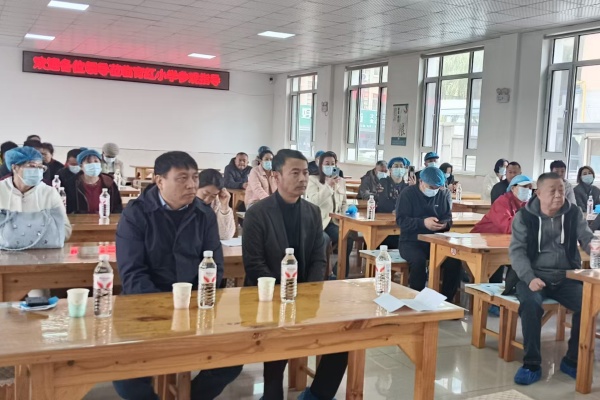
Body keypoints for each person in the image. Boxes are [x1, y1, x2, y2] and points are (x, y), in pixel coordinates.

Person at [114, 151, 242, 399]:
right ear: (160, 181)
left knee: (232, 359)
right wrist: (165, 309)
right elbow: (132, 272)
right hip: (144, 306)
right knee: (126, 377)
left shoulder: (203, 213)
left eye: (194, 177)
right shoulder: (136, 214)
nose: (192, 184)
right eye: (182, 178)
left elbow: (214, 265)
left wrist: (196, 303)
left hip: (194, 306)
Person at [242, 149, 347, 400]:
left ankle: (317, 395)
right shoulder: (257, 213)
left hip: (305, 294)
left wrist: (307, 293)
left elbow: (318, 258)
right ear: (276, 176)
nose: (302, 179)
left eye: (305, 173)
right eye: (295, 173)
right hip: (267, 296)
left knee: (344, 338)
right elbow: (254, 265)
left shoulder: (311, 211)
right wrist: (285, 294)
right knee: (279, 338)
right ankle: (271, 394)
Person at [509, 172, 593, 385]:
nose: (558, 196)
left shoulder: (573, 213)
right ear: (538, 193)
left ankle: (572, 360)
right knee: (531, 305)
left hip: (567, 276)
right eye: (552, 191)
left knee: (589, 305)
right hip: (534, 276)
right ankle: (531, 363)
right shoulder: (524, 216)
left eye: (561, 191)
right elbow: (517, 252)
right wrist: (529, 277)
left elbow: (586, 238)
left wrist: (593, 247)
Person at [396, 166, 462, 300]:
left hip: (435, 242)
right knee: (418, 262)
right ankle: (417, 299)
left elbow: (448, 218)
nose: (434, 190)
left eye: (437, 187)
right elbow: (401, 221)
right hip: (411, 242)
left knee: (454, 261)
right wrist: (423, 223)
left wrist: (444, 224)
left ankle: (446, 300)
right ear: (421, 181)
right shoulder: (407, 194)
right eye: (431, 187)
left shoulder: (441, 195)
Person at [472, 175, 534, 312]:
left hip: (505, 241)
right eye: (525, 187)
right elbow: (508, 226)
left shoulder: (528, 204)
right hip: (483, 239)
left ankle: (511, 294)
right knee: (497, 262)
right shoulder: (502, 201)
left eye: (530, 187)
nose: (528, 190)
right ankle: (491, 302)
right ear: (513, 188)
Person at [0, 146, 71, 238]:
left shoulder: (49, 193)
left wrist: (37, 235)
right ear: (15, 167)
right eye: (32, 166)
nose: (37, 171)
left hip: (41, 245)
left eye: (40, 167)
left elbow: (65, 229)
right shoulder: (2, 189)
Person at [306, 151, 352, 277]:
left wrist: (346, 213)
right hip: (319, 222)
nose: (330, 166)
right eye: (327, 163)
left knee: (348, 237)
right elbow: (313, 202)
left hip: (335, 222)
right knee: (324, 240)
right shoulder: (313, 180)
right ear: (320, 165)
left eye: (332, 163)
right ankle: (323, 273)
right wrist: (328, 186)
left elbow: (344, 202)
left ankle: (340, 273)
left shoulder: (340, 181)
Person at [64, 148, 122, 214]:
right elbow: (68, 208)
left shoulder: (109, 182)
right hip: (80, 219)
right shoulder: (72, 184)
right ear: (81, 166)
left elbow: (117, 207)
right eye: (88, 162)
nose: (93, 164)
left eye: (96, 161)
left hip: (105, 219)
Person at [197, 169, 235, 240]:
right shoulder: (183, 202)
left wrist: (224, 206)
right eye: (205, 194)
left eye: (213, 196)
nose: (207, 200)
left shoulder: (215, 202)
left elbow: (225, 235)